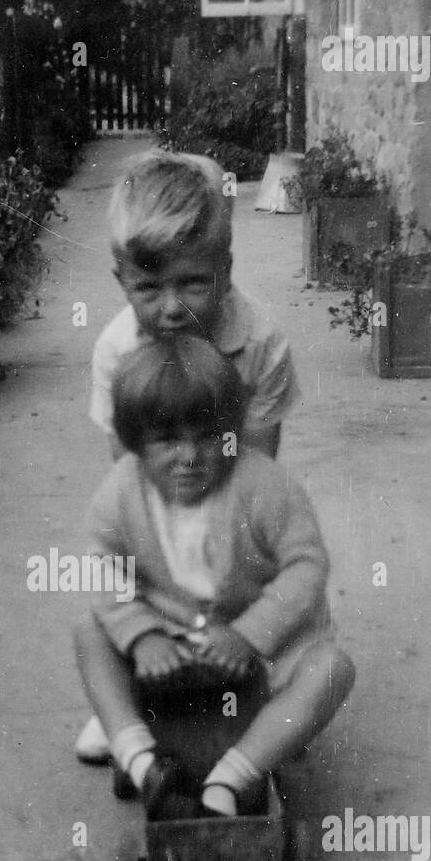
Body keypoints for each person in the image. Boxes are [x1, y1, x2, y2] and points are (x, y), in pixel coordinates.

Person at [77, 147, 301, 762]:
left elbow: (258, 471)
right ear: (121, 280)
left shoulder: (259, 341)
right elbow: (127, 478)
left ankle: (261, 690)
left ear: (225, 271)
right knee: (102, 605)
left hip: (236, 513)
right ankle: (125, 705)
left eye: (192, 283)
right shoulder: (118, 351)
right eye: (149, 288)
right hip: (157, 520)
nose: (171, 308)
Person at [74, 336, 355, 819]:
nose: (188, 455)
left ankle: (235, 775)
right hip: (169, 644)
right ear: (135, 440)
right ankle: (142, 760)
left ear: (233, 430)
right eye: (165, 439)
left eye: (207, 435)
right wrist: (141, 636)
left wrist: (249, 635)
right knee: (90, 633)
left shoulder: (263, 484)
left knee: (332, 669)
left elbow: (306, 565)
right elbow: (102, 565)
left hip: (258, 650)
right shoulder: (123, 488)